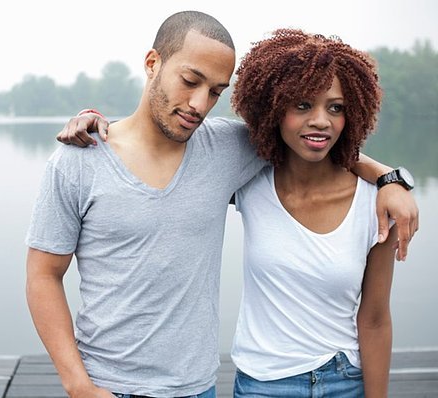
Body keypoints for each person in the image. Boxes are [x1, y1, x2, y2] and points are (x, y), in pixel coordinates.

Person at [26, 11, 418, 398]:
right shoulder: (78, 159)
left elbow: (311, 142)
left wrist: (390, 178)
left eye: (215, 91)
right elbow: (44, 276)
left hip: (197, 389)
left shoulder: (227, 149)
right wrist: (78, 385)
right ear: (152, 63)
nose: (199, 104)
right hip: (105, 385)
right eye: (190, 81)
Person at [228, 29, 396, 397]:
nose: (321, 120)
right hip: (263, 383)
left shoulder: (378, 204)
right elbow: (165, 156)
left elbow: (375, 319)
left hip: (344, 380)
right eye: (302, 105)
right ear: (272, 108)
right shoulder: (248, 182)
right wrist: (96, 125)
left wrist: (391, 181)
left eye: (335, 107)